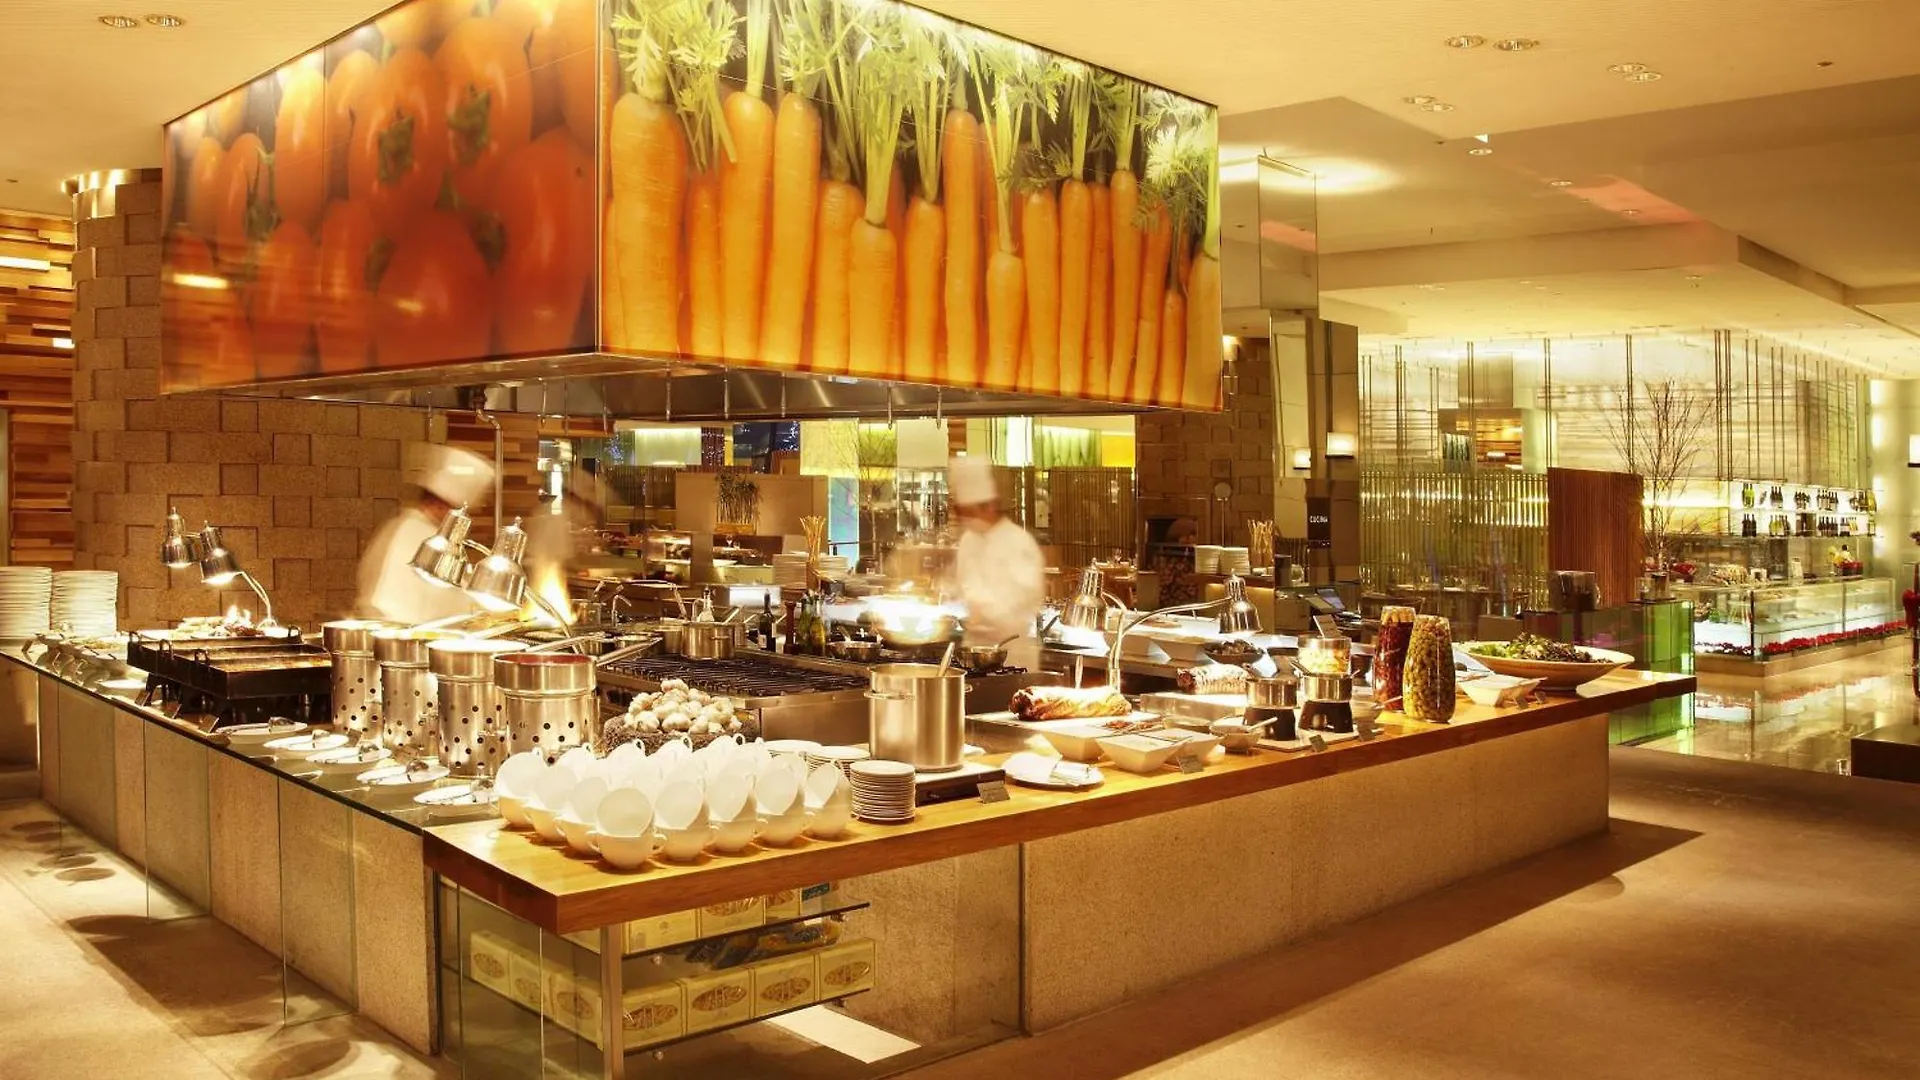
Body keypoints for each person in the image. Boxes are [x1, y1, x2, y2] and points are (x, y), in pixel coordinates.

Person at [356, 446, 496, 624]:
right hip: (406, 631)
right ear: (440, 506)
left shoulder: (403, 525)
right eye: (461, 515)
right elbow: (443, 600)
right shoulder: (422, 536)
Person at [948, 455, 1045, 670]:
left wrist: (986, 612)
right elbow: (961, 586)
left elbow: (1026, 601)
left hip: (1012, 653)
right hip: (973, 651)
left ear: (990, 506)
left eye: (971, 513)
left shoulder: (1019, 543)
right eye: (963, 514)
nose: (967, 520)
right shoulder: (969, 539)